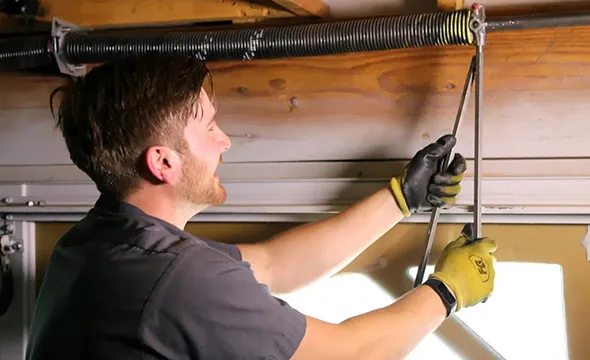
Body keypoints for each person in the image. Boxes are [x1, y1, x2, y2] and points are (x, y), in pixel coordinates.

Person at [26, 53, 497, 360]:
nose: (225, 140)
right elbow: (349, 354)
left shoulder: (95, 242)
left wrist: (401, 199)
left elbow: (273, 263)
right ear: (163, 162)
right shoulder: (174, 278)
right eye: (210, 128)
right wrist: (448, 290)